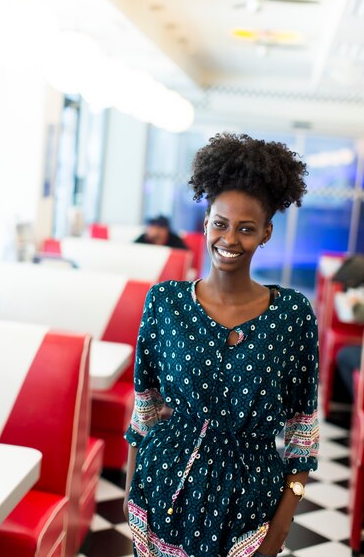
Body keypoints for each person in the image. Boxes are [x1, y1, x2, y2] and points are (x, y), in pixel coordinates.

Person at [123, 133, 319, 557]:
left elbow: (303, 430)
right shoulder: (165, 301)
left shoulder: (293, 315)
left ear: (266, 232)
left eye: (246, 229)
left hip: (250, 505)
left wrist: (281, 527)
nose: (229, 240)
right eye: (220, 224)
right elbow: (146, 405)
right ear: (207, 221)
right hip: (161, 488)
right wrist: (130, 490)